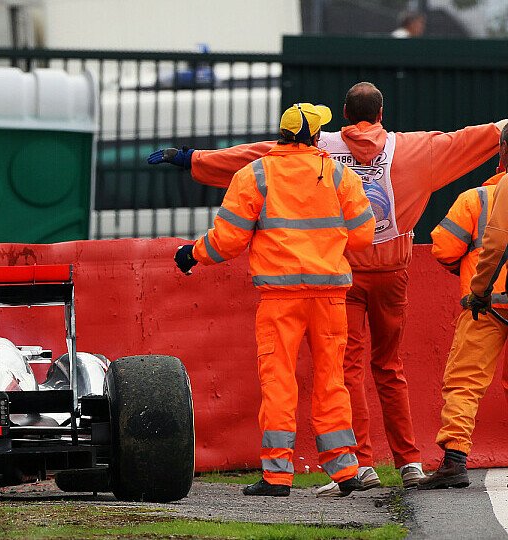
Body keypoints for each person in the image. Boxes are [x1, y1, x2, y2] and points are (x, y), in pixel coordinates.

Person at [148, 82, 507, 494]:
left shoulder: (284, 165)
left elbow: (246, 164)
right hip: (365, 280)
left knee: (323, 373)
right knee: (379, 370)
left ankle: (337, 468)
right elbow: (467, 140)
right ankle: (393, 463)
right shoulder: (402, 154)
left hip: (311, 286)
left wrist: (191, 160)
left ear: (342, 115)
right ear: (381, 114)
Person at [176, 102, 375, 497]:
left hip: (280, 298)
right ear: (315, 137)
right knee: (332, 379)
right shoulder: (340, 175)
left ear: (282, 135)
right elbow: (363, 236)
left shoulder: (255, 174)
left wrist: (192, 253)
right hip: (329, 296)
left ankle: (278, 475)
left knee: (279, 381)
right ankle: (345, 469)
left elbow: (228, 240)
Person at [420, 126, 508, 489]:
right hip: (486, 303)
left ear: (502, 153)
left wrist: (476, 280)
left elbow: (444, 248)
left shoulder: (476, 200)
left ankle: (455, 460)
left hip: (485, 306)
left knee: (465, 382)